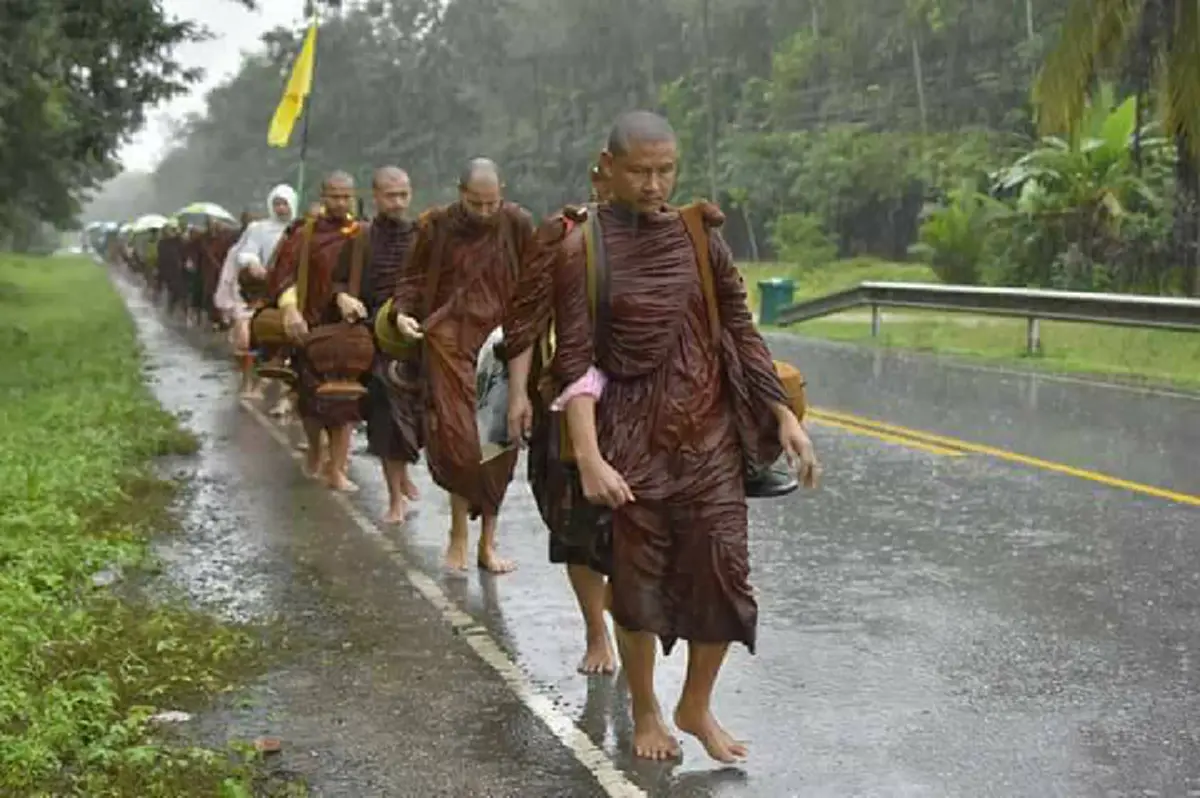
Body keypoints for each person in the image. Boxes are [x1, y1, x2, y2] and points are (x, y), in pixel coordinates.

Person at [547, 111, 819, 763]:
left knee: (725, 577)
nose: (653, 184)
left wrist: (781, 413)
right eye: (639, 171)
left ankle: (695, 704)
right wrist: (587, 458)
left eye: (666, 169)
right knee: (636, 588)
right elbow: (576, 364)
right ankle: (645, 708)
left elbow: (740, 330)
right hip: (630, 444)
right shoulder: (580, 251)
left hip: (709, 440)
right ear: (607, 167)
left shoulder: (702, 240)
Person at [388, 158, 535, 574]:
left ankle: (488, 543)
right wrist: (402, 312)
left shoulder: (518, 224)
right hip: (449, 340)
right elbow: (412, 279)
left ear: (502, 191)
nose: (485, 213)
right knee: (457, 444)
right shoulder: (437, 226)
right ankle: (458, 533)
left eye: (492, 203)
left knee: (496, 448)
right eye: (476, 204)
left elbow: (536, 281)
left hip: (500, 344)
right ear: (459, 192)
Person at [504, 162, 617, 675]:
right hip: (565, 397)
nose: (649, 186)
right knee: (576, 526)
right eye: (637, 173)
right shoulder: (564, 233)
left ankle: (628, 615)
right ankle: (597, 632)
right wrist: (517, 396)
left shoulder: (670, 234)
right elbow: (526, 320)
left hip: (643, 403)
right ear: (601, 178)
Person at [270, 171, 368, 490]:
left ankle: (337, 468)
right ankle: (315, 447)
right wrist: (290, 310)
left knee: (347, 401)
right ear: (323, 197)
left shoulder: (362, 233)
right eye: (334, 196)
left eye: (346, 196)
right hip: (310, 326)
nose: (341, 202)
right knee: (310, 400)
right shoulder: (305, 234)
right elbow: (283, 275)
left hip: (349, 327)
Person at [360, 166, 421, 523]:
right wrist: (344, 300)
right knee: (386, 420)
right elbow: (342, 283)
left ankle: (404, 473)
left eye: (403, 195)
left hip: (416, 336)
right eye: (390, 195)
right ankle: (394, 496)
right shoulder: (363, 238)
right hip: (377, 338)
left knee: (416, 419)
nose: (398, 202)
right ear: (376, 197)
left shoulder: (422, 236)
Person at [215, 183, 298, 397]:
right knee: (246, 337)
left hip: (291, 292)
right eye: (277, 204)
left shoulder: (301, 229)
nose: (281, 209)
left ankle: (287, 393)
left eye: (285, 204)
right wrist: (253, 264)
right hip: (261, 292)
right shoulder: (258, 229)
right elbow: (247, 253)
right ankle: (249, 381)